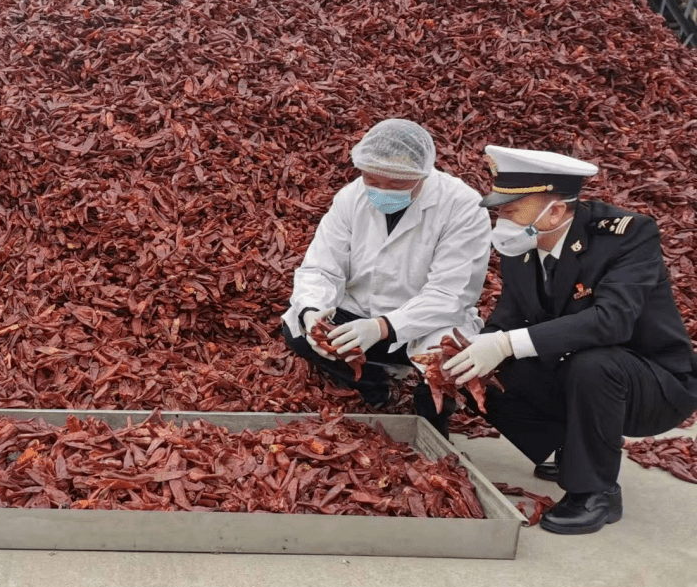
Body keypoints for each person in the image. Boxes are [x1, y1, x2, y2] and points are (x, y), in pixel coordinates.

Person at [445, 145, 697, 535]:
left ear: (556, 211)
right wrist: (467, 352)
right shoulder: (524, 247)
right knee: (482, 375)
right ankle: (573, 448)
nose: (502, 222)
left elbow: (611, 322)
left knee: (593, 363)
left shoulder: (626, 237)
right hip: (577, 374)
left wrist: (506, 343)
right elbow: (506, 321)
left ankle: (594, 492)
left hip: (652, 384)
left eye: (511, 212)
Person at [281, 118, 492, 436]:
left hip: (426, 322)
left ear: (422, 175)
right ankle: (376, 385)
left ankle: (432, 421)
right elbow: (321, 268)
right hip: (359, 313)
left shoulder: (461, 206)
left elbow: (451, 293)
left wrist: (383, 327)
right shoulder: (351, 198)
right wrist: (312, 312)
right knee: (298, 331)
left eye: (396, 184)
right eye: (372, 180)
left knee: (448, 363)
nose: (380, 191)